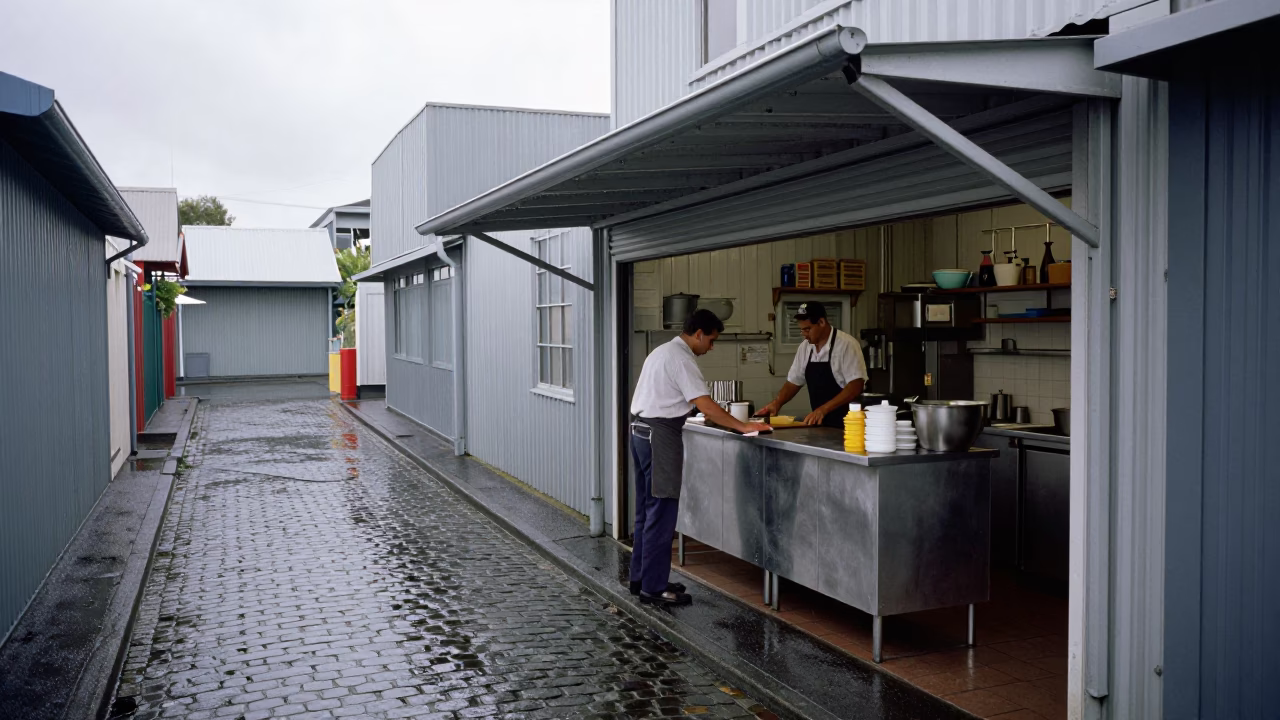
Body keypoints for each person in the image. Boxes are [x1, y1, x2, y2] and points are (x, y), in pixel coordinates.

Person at [629, 309, 772, 606]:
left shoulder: (662, 351)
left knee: (646, 509)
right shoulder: (681, 358)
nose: (711, 346)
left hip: (640, 431)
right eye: (711, 340)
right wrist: (743, 425)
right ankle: (653, 589)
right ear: (698, 334)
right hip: (660, 435)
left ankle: (641, 578)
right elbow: (704, 404)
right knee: (662, 509)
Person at [755, 302, 868, 428]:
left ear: (821, 322)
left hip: (849, 425)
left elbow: (855, 386)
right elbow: (793, 382)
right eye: (801, 330)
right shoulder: (805, 347)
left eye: (807, 329)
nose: (804, 334)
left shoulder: (847, 345)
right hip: (821, 424)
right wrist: (776, 403)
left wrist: (823, 409)